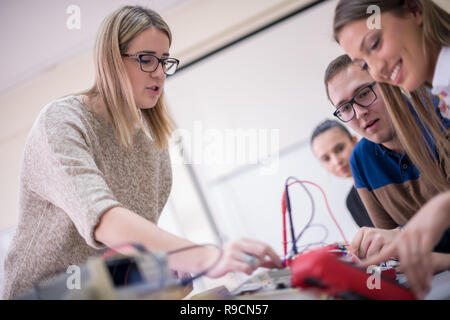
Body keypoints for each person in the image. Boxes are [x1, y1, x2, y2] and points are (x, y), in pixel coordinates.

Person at [1, 6, 281, 299]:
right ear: (111, 61)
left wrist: (166, 267)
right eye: (147, 60)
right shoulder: (62, 121)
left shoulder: (154, 149)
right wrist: (206, 258)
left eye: (164, 61)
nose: (160, 72)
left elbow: (126, 250)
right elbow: (103, 219)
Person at [325, 53, 450, 299]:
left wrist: (442, 259)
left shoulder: (441, 116)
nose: (359, 113)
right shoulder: (360, 161)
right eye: (345, 108)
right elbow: (392, 249)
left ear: (386, 83)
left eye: (363, 94)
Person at [310, 120, 374, 228]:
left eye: (339, 149)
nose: (336, 161)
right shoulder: (352, 203)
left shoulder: (387, 173)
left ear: (354, 141)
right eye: (326, 158)